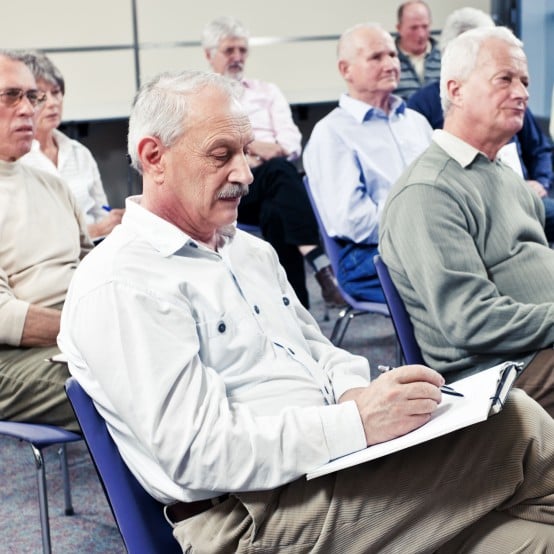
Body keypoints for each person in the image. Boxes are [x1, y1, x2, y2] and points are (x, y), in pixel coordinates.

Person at [59, 69, 554, 553]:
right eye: (221, 155)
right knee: (517, 424)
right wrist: (357, 423)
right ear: (154, 157)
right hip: (249, 518)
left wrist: (363, 395)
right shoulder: (121, 283)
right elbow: (199, 455)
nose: (245, 173)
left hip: (330, 469)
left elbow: (319, 353)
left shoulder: (247, 252)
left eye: (246, 152)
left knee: (534, 540)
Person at [380, 26, 554, 416]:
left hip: (535, 351)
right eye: (505, 79)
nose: (523, 92)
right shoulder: (429, 192)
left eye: (524, 81)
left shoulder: (500, 172)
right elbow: (471, 322)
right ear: (456, 91)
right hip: (496, 373)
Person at [202, 16, 344, 309]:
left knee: (277, 208)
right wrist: (253, 146)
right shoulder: (202, 99)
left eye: (242, 50)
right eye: (229, 51)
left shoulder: (268, 92)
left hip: (269, 185)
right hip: (231, 188)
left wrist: (240, 145)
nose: (238, 58)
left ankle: (294, 311)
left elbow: (291, 144)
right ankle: (320, 265)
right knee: (280, 173)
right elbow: (211, 151)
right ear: (209, 55)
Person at [303, 23, 432, 303]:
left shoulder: (416, 122)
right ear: (345, 70)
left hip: (428, 243)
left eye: (393, 55)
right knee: (459, 281)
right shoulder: (332, 133)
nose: (390, 64)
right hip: (368, 256)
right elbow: (352, 221)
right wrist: (420, 227)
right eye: (376, 57)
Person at [0, 50, 92, 431]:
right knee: (126, 385)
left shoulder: (54, 186)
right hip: (11, 356)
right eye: (11, 96)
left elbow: (94, 268)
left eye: (32, 97)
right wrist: (89, 329)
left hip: (73, 334)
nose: (28, 110)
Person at [407, 7, 554, 241]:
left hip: (527, 195)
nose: (521, 93)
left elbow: (539, 149)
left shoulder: (511, 101)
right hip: (480, 205)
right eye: (501, 76)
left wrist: (541, 181)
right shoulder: (421, 106)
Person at [19, 51, 124, 240]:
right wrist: (94, 230)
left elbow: (102, 213)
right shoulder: (15, 159)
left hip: (94, 255)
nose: (52, 103)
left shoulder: (79, 153)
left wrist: (114, 222)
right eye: (41, 96)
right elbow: (26, 239)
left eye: (56, 92)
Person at [394, 0, 441, 100]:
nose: (421, 34)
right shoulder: (388, 61)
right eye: (413, 28)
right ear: (399, 28)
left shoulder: (446, 56)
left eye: (425, 26)